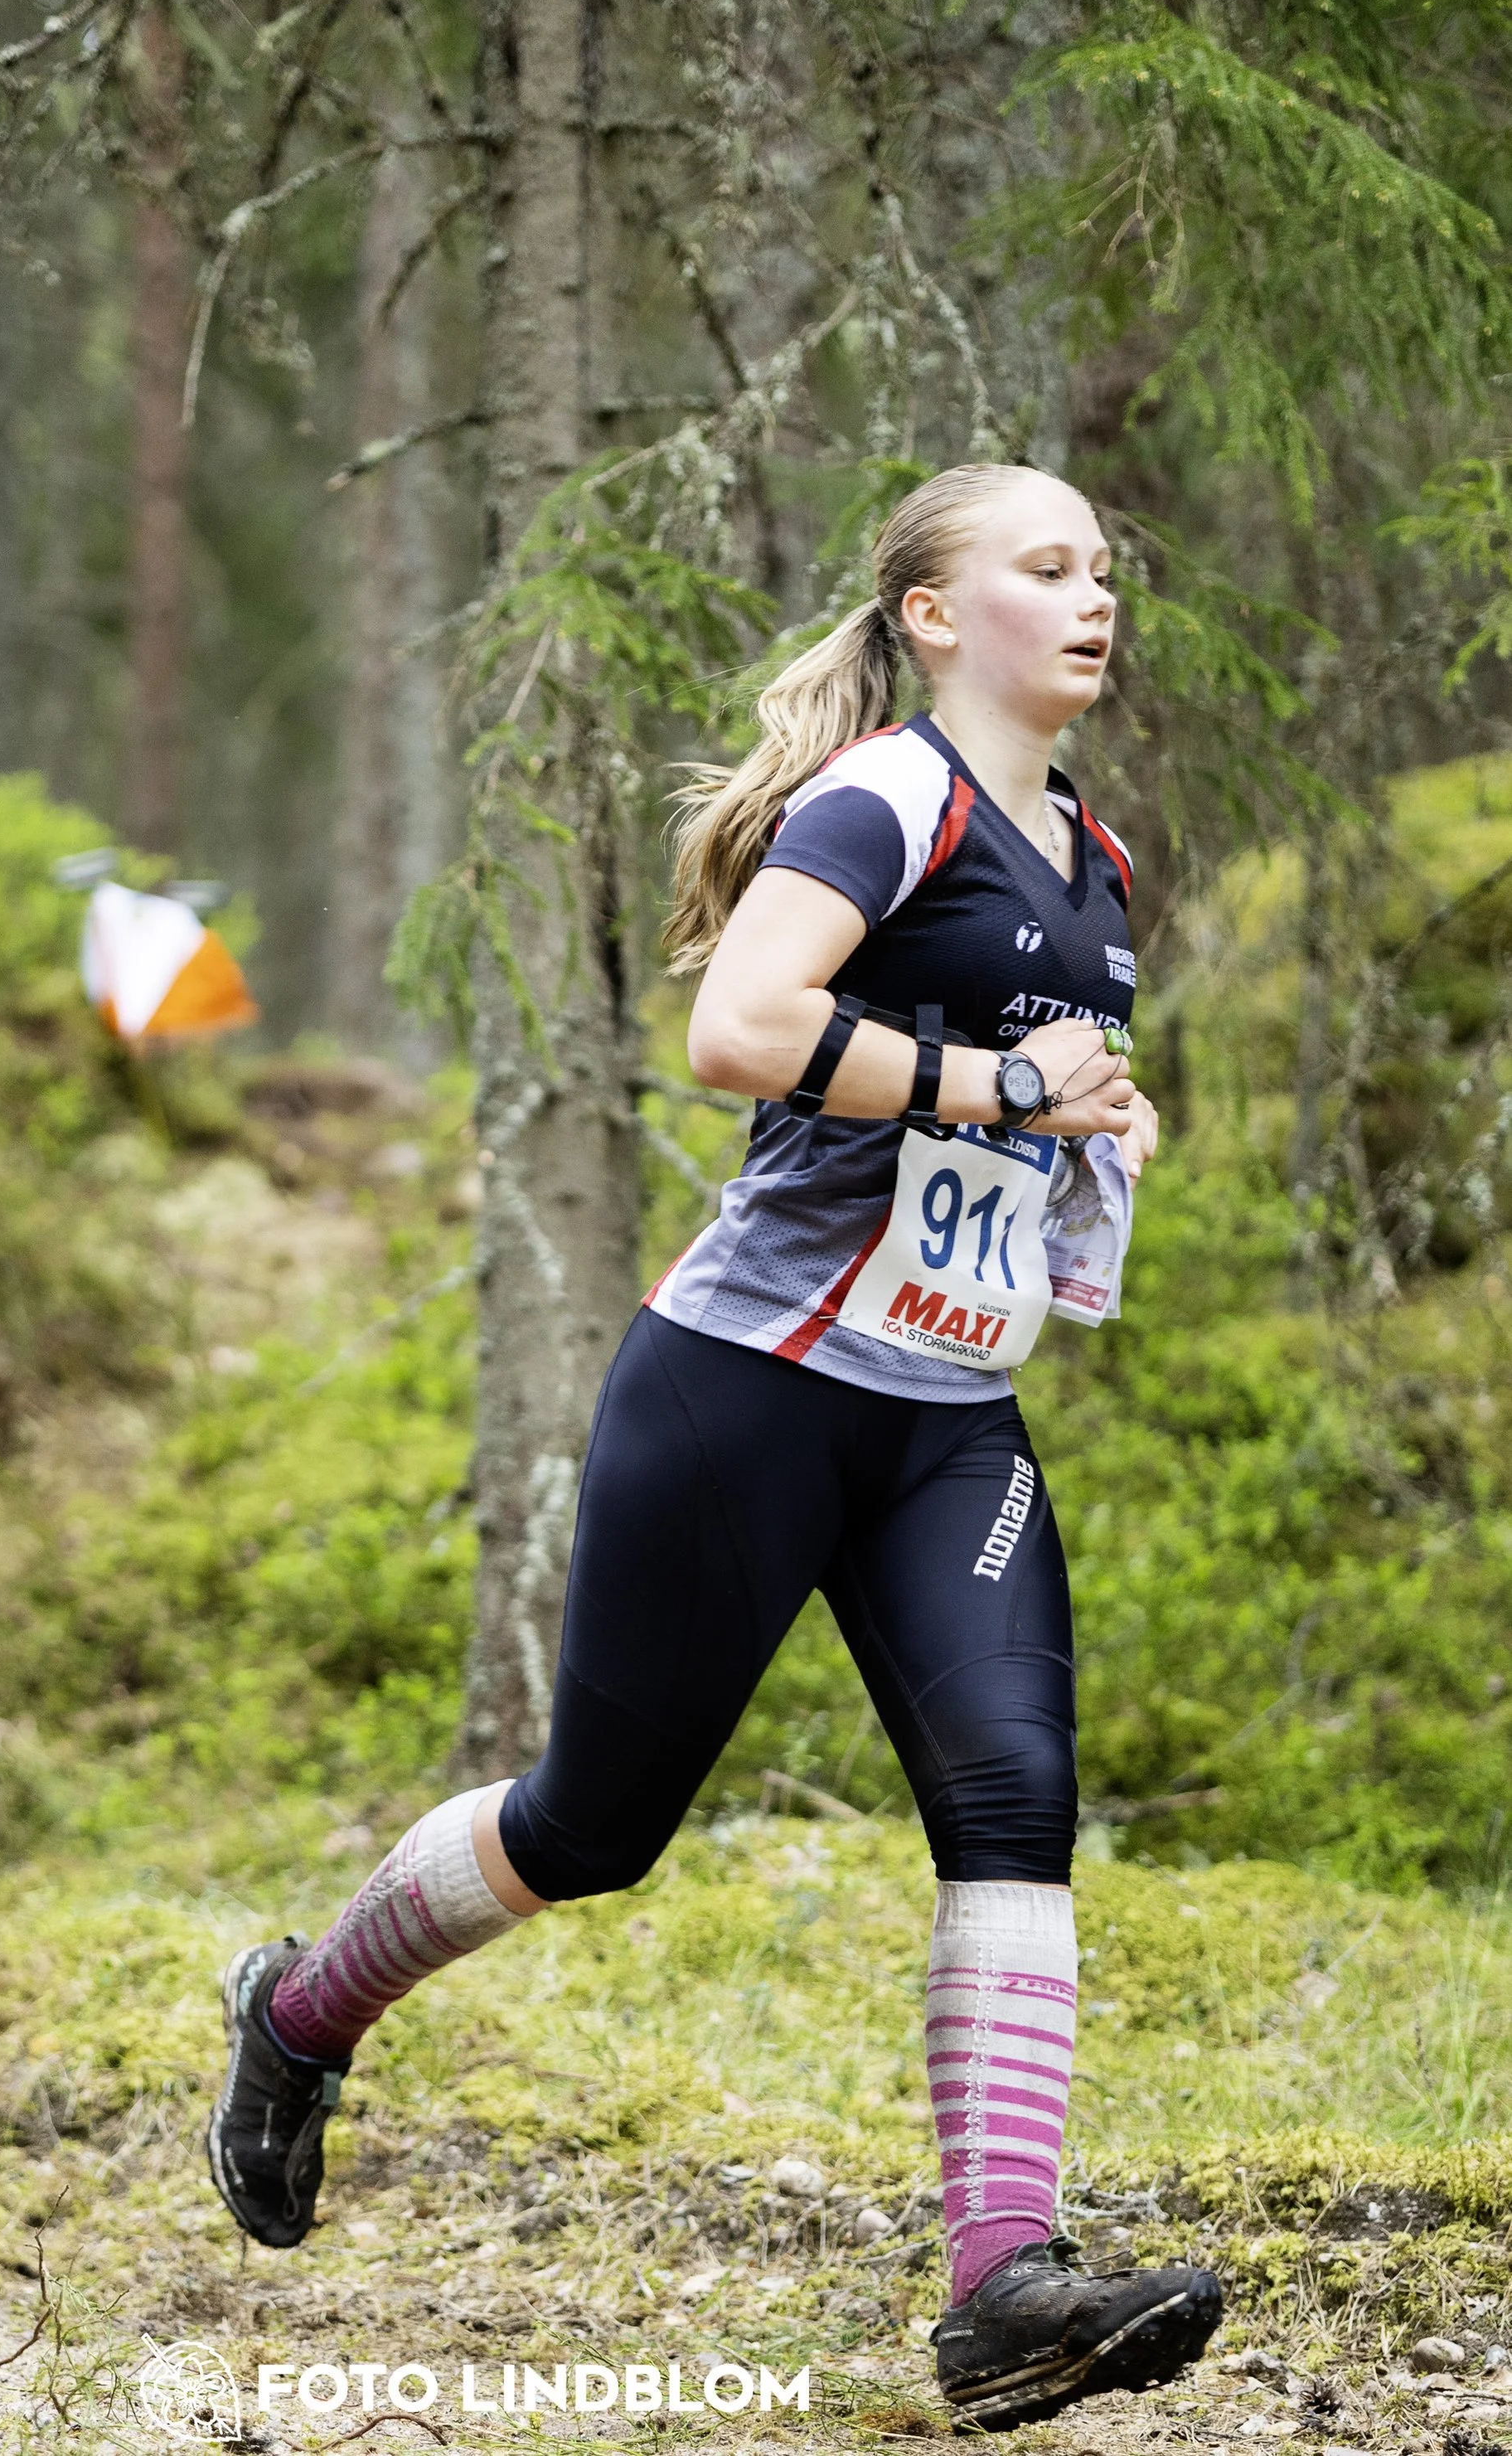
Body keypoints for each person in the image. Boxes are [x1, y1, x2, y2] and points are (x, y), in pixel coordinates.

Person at [205, 463, 1224, 2429]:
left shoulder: (1089, 854)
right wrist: (998, 1074)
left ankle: (1002, 2283)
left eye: (1101, 567)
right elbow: (741, 1029)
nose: (1089, 596)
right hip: (744, 1386)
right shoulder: (883, 802)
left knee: (1010, 1803)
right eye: (1041, 566)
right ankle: (299, 2008)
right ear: (934, 613)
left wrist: (1089, 1119)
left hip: (945, 1420)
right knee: (592, 1825)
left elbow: (1002, 1097)